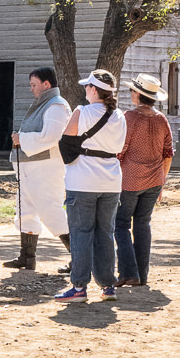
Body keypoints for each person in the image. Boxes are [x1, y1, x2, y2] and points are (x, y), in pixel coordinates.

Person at [54, 69, 129, 302]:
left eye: (87, 86)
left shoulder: (82, 112)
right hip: (111, 181)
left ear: (94, 90)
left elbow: (65, 142)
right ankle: (108, 285)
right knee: (105, 233)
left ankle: (78, 287)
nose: (85, 89)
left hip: (82, 180)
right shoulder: (120, 116)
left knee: (81, 234)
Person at [4, 66, 71, 272]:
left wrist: (21, 138)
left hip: (46, 169)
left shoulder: (56, 106)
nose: (31, 89)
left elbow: (52, 136)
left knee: (51, 211)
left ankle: (79, 255)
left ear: (46, 84)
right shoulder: (43, 104)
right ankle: (27, 257)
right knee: (26, 210)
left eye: (34, 85)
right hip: (30, 169)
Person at [116, 73, 174, 287]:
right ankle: (142, 274)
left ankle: (128, 272)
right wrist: (162, 181)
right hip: (155, 179)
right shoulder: (161, 119)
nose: (130, 93)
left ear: (137, 94)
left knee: (120, 224)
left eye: (132, 90)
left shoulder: (129, 117)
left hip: (130, 179)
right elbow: (168, 153)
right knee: (142, 223)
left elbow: (120, 151)